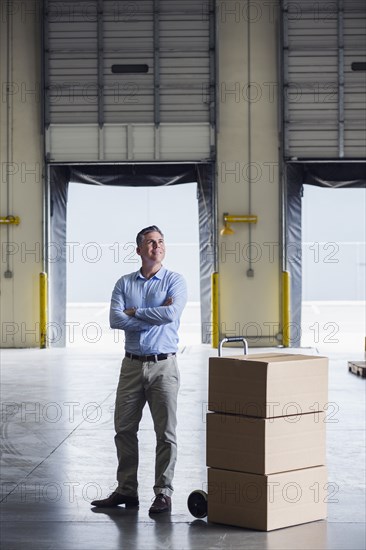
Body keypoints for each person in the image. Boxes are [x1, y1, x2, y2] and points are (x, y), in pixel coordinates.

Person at [91, 225, 187, 514]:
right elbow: (115, 320)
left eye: (160, 242)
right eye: (149, 242)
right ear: (139, 250)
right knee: (123, 429)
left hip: (164, 366)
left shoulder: (175, 281)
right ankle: (126, 490)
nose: (156, 247)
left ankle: (163, 492)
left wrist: (136, 312)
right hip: (131, 365)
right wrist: (153, 316)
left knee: (165, 433)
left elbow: (171, 314)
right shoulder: (124, 283)